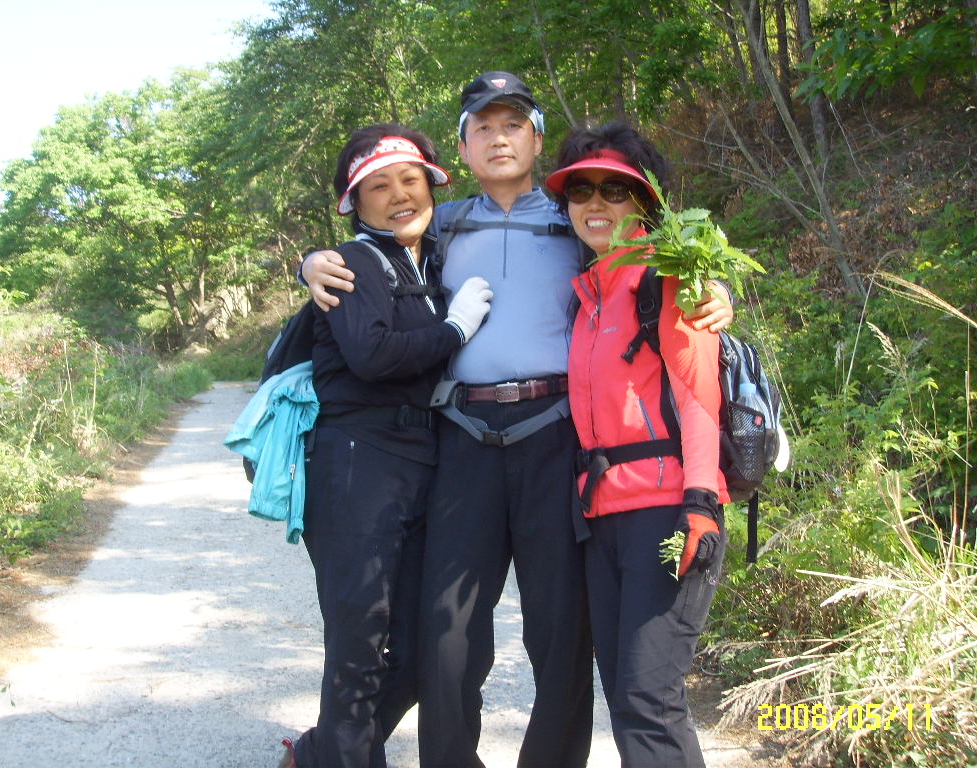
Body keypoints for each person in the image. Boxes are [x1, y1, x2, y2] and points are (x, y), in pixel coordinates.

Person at [301, 72, 734, 768]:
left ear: (536, 140)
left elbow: (657, 264)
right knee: (448, 630)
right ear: (464, 150)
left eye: (513, 126)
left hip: (557, 440)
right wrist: (310, 262)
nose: (498, 138)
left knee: (560, 631)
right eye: (482, 128)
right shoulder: (437, 224)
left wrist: (715, 291)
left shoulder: (576, 217)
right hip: (463, 439)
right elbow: (372, 252)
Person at [283, 124, 493, 768]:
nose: (399, 195)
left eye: (410, 180)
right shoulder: (352, 263)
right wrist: (456, 327)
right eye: (378, 187)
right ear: (356, 203)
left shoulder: (436, 253)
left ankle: (322, 753)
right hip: (355, 464)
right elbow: (371, 355)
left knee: (412, 645)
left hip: (423, 459)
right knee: (358, 642)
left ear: (433, 185)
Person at [545, 121, 729, 767]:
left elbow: (701, 396)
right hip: (602, 519)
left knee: (651, 698)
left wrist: (701, 504)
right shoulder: (587, 294)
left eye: (615, 191)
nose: (595, 204)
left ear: (646, 202)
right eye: (581, 191)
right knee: (629, 698)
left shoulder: (669, 279)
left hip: (667, 509)